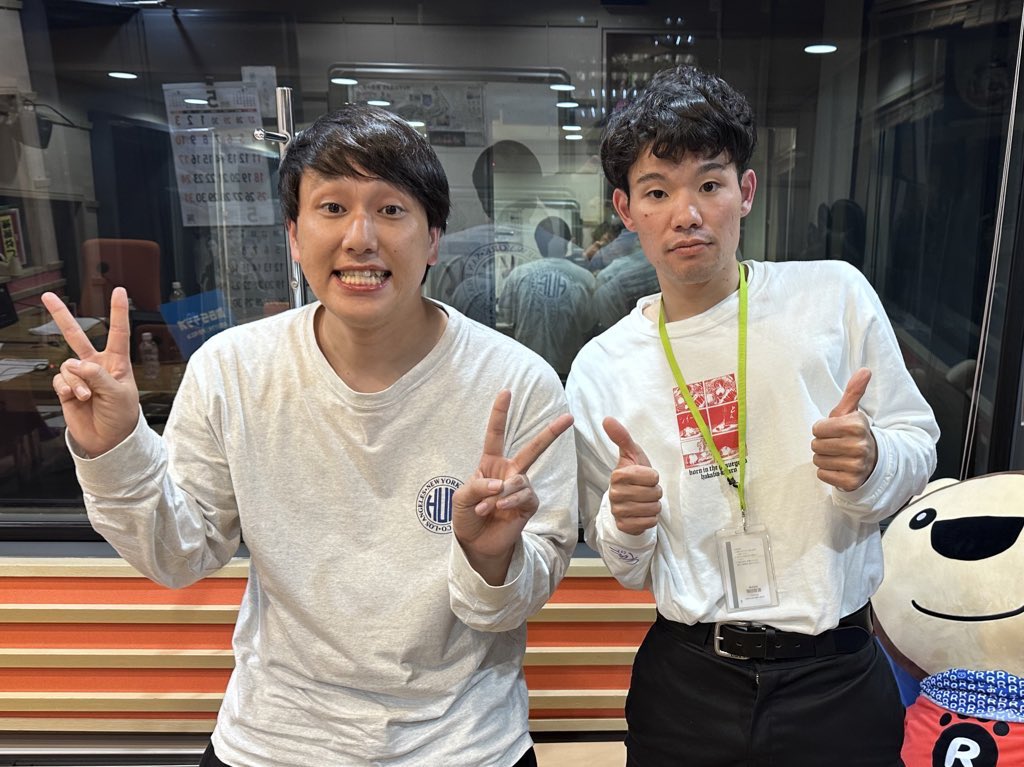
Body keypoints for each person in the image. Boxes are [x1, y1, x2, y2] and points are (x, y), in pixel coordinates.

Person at [41, 105, 578, 767]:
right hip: (275, 739)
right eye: (332, 208)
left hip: (461, 743)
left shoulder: (517, 383)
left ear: (434, 239)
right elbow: (179, 555)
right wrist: (116, 449)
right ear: (295, 236)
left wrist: (490, 558)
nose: (360, 237)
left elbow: (512, 603)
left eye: (391, 210)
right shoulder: (232, 369)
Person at [564, 66, 940, 766]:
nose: (687, 213)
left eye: (709, 184)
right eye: (657, 192)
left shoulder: (832, 296)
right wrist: (627, 522)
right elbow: (623, 565)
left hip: (836, 673)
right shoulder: (601, 367)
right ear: (625, 209)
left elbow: (917, 442)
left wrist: (873, 463)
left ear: (747, 190)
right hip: (687, 682)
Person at [497, 216, 596, 380]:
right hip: (569, 373)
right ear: (569, 242)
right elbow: (589, 327)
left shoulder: (518, 275)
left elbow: (505, 324)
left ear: (537, 243)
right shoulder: (586, 279)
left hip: (527, 372)